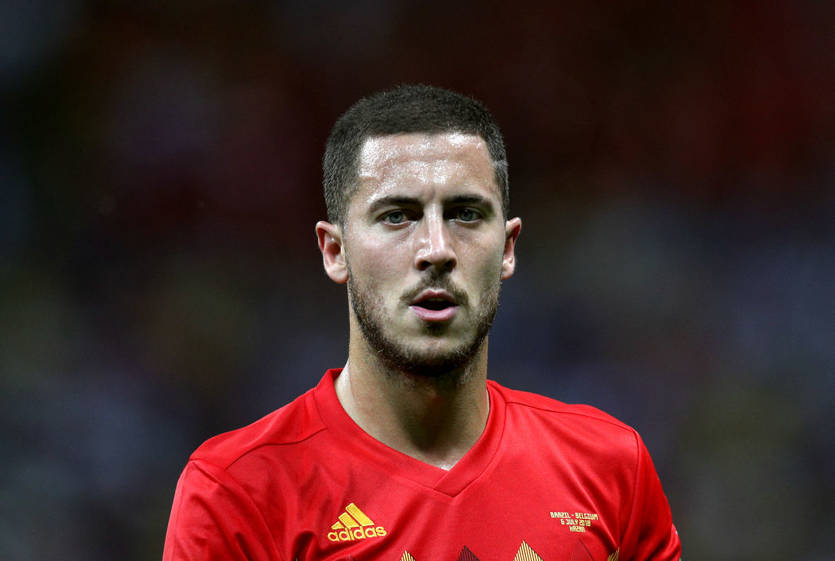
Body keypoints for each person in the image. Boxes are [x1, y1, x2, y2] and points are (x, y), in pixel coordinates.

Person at [162, 85, 681, 561]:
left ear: (507, 248)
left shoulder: (610, 468)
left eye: (465, 213)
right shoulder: (236, 492)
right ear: (335, 251)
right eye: (397, 215)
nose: (436, 249)